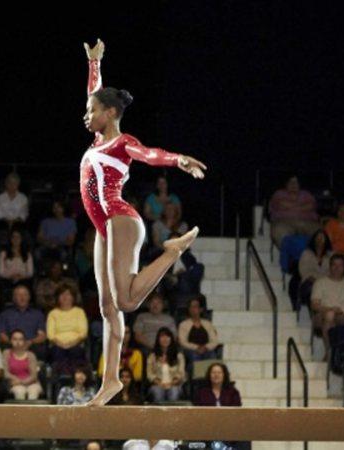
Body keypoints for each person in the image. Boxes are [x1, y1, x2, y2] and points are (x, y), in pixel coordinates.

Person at [80, 40, 205, 407]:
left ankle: (170, 252)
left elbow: (148, 155)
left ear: (111, 113)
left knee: (128, 300)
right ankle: (110, 382)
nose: (86, 115)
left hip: (121, 219)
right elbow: (94, 92)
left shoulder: (122, 143)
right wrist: (94, 63)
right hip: (105, 227)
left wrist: (178, 159)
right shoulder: (98, 138)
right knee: (107, 307)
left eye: (92, 112)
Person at [47, 283, 88, 375]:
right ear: (58, 297)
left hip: (76, 343)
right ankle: (61, 380)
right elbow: (50, 335)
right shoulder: (53, 313)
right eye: (62, 294)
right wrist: (61, 344)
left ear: (73, 297)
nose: (65, 297)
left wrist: (72, 343)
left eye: (68, 294)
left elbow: (83, 332)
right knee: (57, 353)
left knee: (76, 351)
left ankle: (75, 378)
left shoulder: (79, 312)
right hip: (57, 344)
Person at [0, 285, 47, 359]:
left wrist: (30, 342)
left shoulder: (38, 314)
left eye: (25, 295)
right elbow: (1, 335)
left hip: (32, 346)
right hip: (11, 345)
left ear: (29, 297)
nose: (22, 297)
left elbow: (42, 336)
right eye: (19, 295)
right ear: (13, 298)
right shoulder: (5, 314)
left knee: (41, 350)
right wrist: (14, 343)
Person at [268, 176, 320, 247]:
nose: (293, 184)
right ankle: (290, 255)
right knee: (279, 232)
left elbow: (311, 205)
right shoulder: (279, 193)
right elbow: (281, 204)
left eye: (295, 182)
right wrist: (301, 207)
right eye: (291, 182)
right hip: (284, 222)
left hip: (307, 222)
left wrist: (290, 207)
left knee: (319, 233)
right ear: (286, 184)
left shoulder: (306, 194)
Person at [145, 327, 185, 403]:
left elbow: (181, 373)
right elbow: (149, 374)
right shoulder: (152, 356)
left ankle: (171, 415)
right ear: (158, 339)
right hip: (157, 385)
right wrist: (160, 384)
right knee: (157, 392)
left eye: (167, 336)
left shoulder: (179, 356)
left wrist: (171, 383)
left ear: (171, 339)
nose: (165, 339)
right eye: (162, 336)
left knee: (174, 392)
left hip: (174, 385)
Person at [2, 329, 42, 400]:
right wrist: (15, 380)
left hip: (31, 383)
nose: (17, 342)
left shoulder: (31, 355)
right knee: (20, 391)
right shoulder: (6, 353)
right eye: (15, 339)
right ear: (10, 341)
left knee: (33, 391)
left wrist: (21, 382)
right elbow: (5, 373)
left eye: (20, 339)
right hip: (14, 383)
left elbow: (34, 376)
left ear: (24, 341)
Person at [177, 296, 220, 363]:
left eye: (195, 306)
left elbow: (214, 341)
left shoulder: (208, 324)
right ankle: (197, 373)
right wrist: (196, 347)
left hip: (206, 349)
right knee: (195, 356)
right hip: (190, 350)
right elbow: (182, 342)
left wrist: (205, 347)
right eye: (190, 307)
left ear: (201, 309)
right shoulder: (183, 324)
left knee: (212, 355)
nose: (192, 309)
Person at [297, 230, 333, 307]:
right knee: (312, 290)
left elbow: (333, 271)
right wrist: (316, 280)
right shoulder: (306, 253)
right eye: (318, 237)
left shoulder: (331, 255)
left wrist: (322, 281)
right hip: (310, 281)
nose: (320, 240)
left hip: (326, 283)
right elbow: (303, 271)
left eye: (322, 238)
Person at [0, 229, 34, 293]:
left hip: (23, 280)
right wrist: (11, 276)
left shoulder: (28, 254)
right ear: (10, 239)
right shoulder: (3, 254)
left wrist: (20, 277)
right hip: (8, 280)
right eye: (13, 237)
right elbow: (1, 272)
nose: (16, 239)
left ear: (22, 239)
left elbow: (30, 272)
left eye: (18, 237)